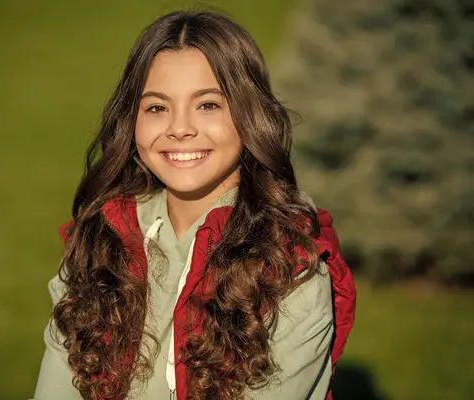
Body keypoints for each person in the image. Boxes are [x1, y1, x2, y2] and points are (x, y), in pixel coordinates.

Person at [31, 10, 356, 400]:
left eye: (208, 105)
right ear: (131, 121)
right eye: (157, 107)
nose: (179, 127)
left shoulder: (291, 269)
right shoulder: (100, 242)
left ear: (250, 114)